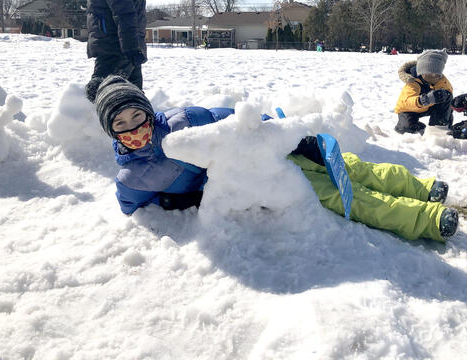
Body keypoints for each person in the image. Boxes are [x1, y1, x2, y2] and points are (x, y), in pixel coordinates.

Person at [87, 75, 459, 242]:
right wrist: (177, 199)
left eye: (137, 115)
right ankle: (424, 219)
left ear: (147, 110)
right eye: (121, 124)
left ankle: (422, 187)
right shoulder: (131, 178)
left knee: (350, 166)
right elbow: (134, 209)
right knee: (337, 194)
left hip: (269, 150)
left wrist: (292, 137)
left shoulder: (184, 121)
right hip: (256, 179)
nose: (134, 127)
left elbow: (233, 118)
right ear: (112, 133)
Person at [85, 0, 147, 91]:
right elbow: (124, 14)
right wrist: (131, 47)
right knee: (104, 92)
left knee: (134, 97)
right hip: (115, 47)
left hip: (129, 46)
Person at [394, 49, 453, 135]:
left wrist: (445, 96)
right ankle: (414, 126)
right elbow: (406, 102)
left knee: (446, 97)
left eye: (436, 75)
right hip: (409, 109)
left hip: (430, 107)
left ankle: (439, 127)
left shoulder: (442, 80)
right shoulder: (413, 81)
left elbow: (448, 95)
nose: (433, 77)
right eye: (429, 74)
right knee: (406, 129)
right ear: (421, 72)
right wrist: (422, 100)